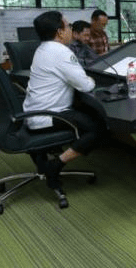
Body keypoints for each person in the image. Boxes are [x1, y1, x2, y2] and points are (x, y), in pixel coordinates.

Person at [23, 11, 104, 189]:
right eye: (68, 26)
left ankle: (42, 157)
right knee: (98, 127)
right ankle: (56, 165)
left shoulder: (42, 49)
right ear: (59, 32)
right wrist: (92, 79)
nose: (70, 29)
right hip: (49, 115)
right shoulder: (61, 52)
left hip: (31, 113)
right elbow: (85, 85)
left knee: (85, 113)